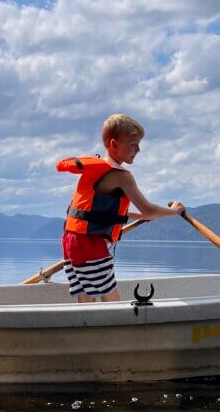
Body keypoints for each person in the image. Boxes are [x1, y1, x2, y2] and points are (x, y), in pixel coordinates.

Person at [58, 114, 185, 303]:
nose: (138, 149)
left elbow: (97, 213)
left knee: (85, 297)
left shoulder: (97, 170)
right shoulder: (121, 175)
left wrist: (134, 215)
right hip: (90, 245)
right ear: (114, 144)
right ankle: (118, 329)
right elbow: (149, 209)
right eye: (133, 144)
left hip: (71, 240)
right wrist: (175, 212)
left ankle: (86, 328)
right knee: (112, 298)